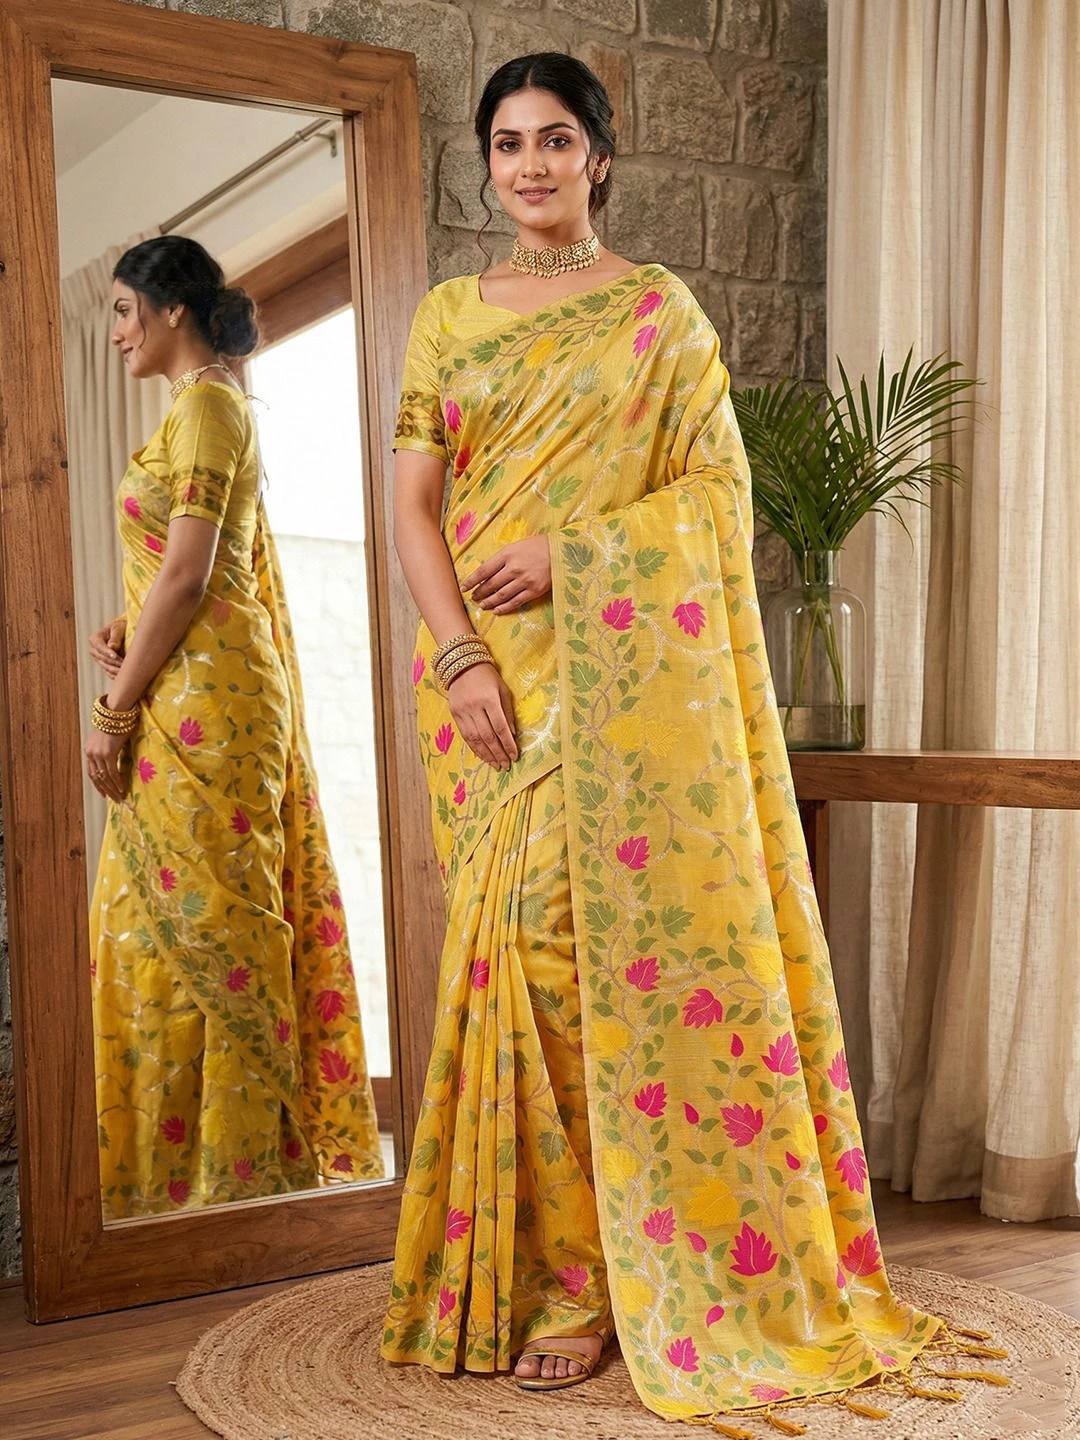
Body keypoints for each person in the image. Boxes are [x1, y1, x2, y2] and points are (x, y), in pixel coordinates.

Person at [377, 54, 1011, 1430]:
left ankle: (600, 1279)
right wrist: (462, 654)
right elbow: (414, 506)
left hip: (610, 672)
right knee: (516, 962)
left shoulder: (658, 312)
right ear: (488, 163)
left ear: (600, 157)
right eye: (508, 144)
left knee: (573, 951)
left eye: (556, 140)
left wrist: (577, 553)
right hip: (477, 677)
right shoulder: (446, 318)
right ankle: (552, 1262)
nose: (531, 166)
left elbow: (717, 498)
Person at [86, 235, 383, 1219]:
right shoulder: (196, 408)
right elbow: (184, 574)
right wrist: (130, 622)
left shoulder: (210, 405)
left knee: (212, 931)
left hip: (210, 711)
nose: (116, 332)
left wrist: (113, 712)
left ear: (171, 308)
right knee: (153, 933)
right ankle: (171, 1187)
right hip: (190, 686)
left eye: (123, 309)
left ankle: (235, 1184)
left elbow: (191, 574)